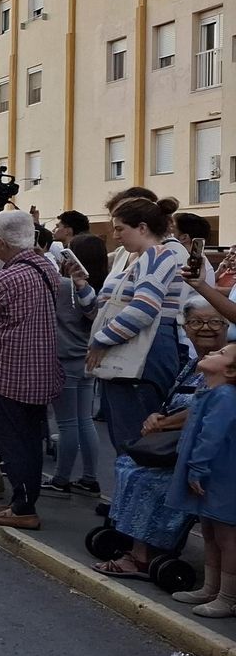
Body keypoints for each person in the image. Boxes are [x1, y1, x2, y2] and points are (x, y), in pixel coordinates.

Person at [94, 297, 226, 581]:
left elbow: (205, 408)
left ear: (226, 324)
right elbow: (172, 401)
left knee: (148, 478)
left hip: (203, 450)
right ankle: (133, 542)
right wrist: (156, 416)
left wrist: (164, 423)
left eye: (215, 321)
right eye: (196, 322)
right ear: (186, 328)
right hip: (176, 443)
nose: (205, 328)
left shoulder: (225, 366)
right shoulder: (192, 364)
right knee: (128, 465)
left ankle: (143, 556)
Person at [0, 212, 63, 530]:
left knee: (12, 440)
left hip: (7, 371)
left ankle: (22, 506)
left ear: (1, 242)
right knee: (31, 438)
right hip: (39, 369)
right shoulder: (47, 268)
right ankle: (22, 499)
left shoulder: (5, 278)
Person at [90, 197, 188, 454]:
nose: (115, 235)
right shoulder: (142, 258)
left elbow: (144, 308)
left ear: (142, 227)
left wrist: (101, 340)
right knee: (126, 438)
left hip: (144, 357)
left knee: (134, 440)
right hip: (136, 354)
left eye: (120, 228)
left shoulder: (156, 256)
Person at [166, 341, 236, 617]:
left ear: (230, 371)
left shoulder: (226, 396)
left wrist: (197, 467)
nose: (211, 352)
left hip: (222, 473)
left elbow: (211, 436)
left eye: (221, 354)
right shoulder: (210, 391)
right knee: (208, 530)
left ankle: (227, 596)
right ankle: (210, 587)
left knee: (226, 535)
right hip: (211, 471)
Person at [48, 232, 107, 496]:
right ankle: (90, 477)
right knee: (85, 421)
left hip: (64, 358)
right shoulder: (102, 288)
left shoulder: (61, 286)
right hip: (88, 357)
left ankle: (61, 478)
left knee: (67, 424)